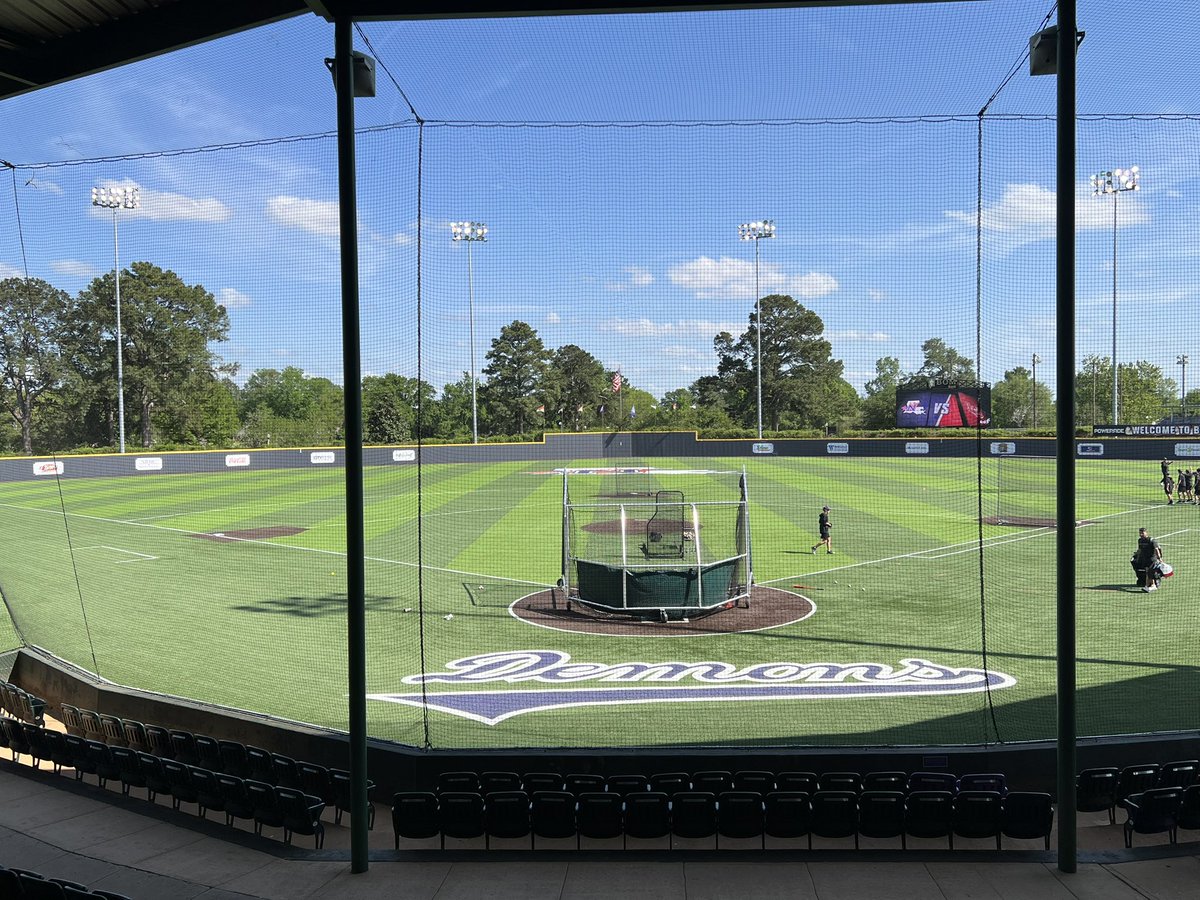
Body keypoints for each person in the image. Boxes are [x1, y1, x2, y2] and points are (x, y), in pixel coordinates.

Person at [1131, 527, 1162, 592]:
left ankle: (1153, 585)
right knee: (1147, 572)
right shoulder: (1140, 540)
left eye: (1142, 533)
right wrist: (1136, 556)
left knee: (1150, 572)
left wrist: (1160, 559)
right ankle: (1147, 585)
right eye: (1140, 533)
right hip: (1145, 559)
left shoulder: (1151, 540)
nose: (1141, 534)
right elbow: (1140, 550)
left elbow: (1157, 549)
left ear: (1146, 533)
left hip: (1152, 559)